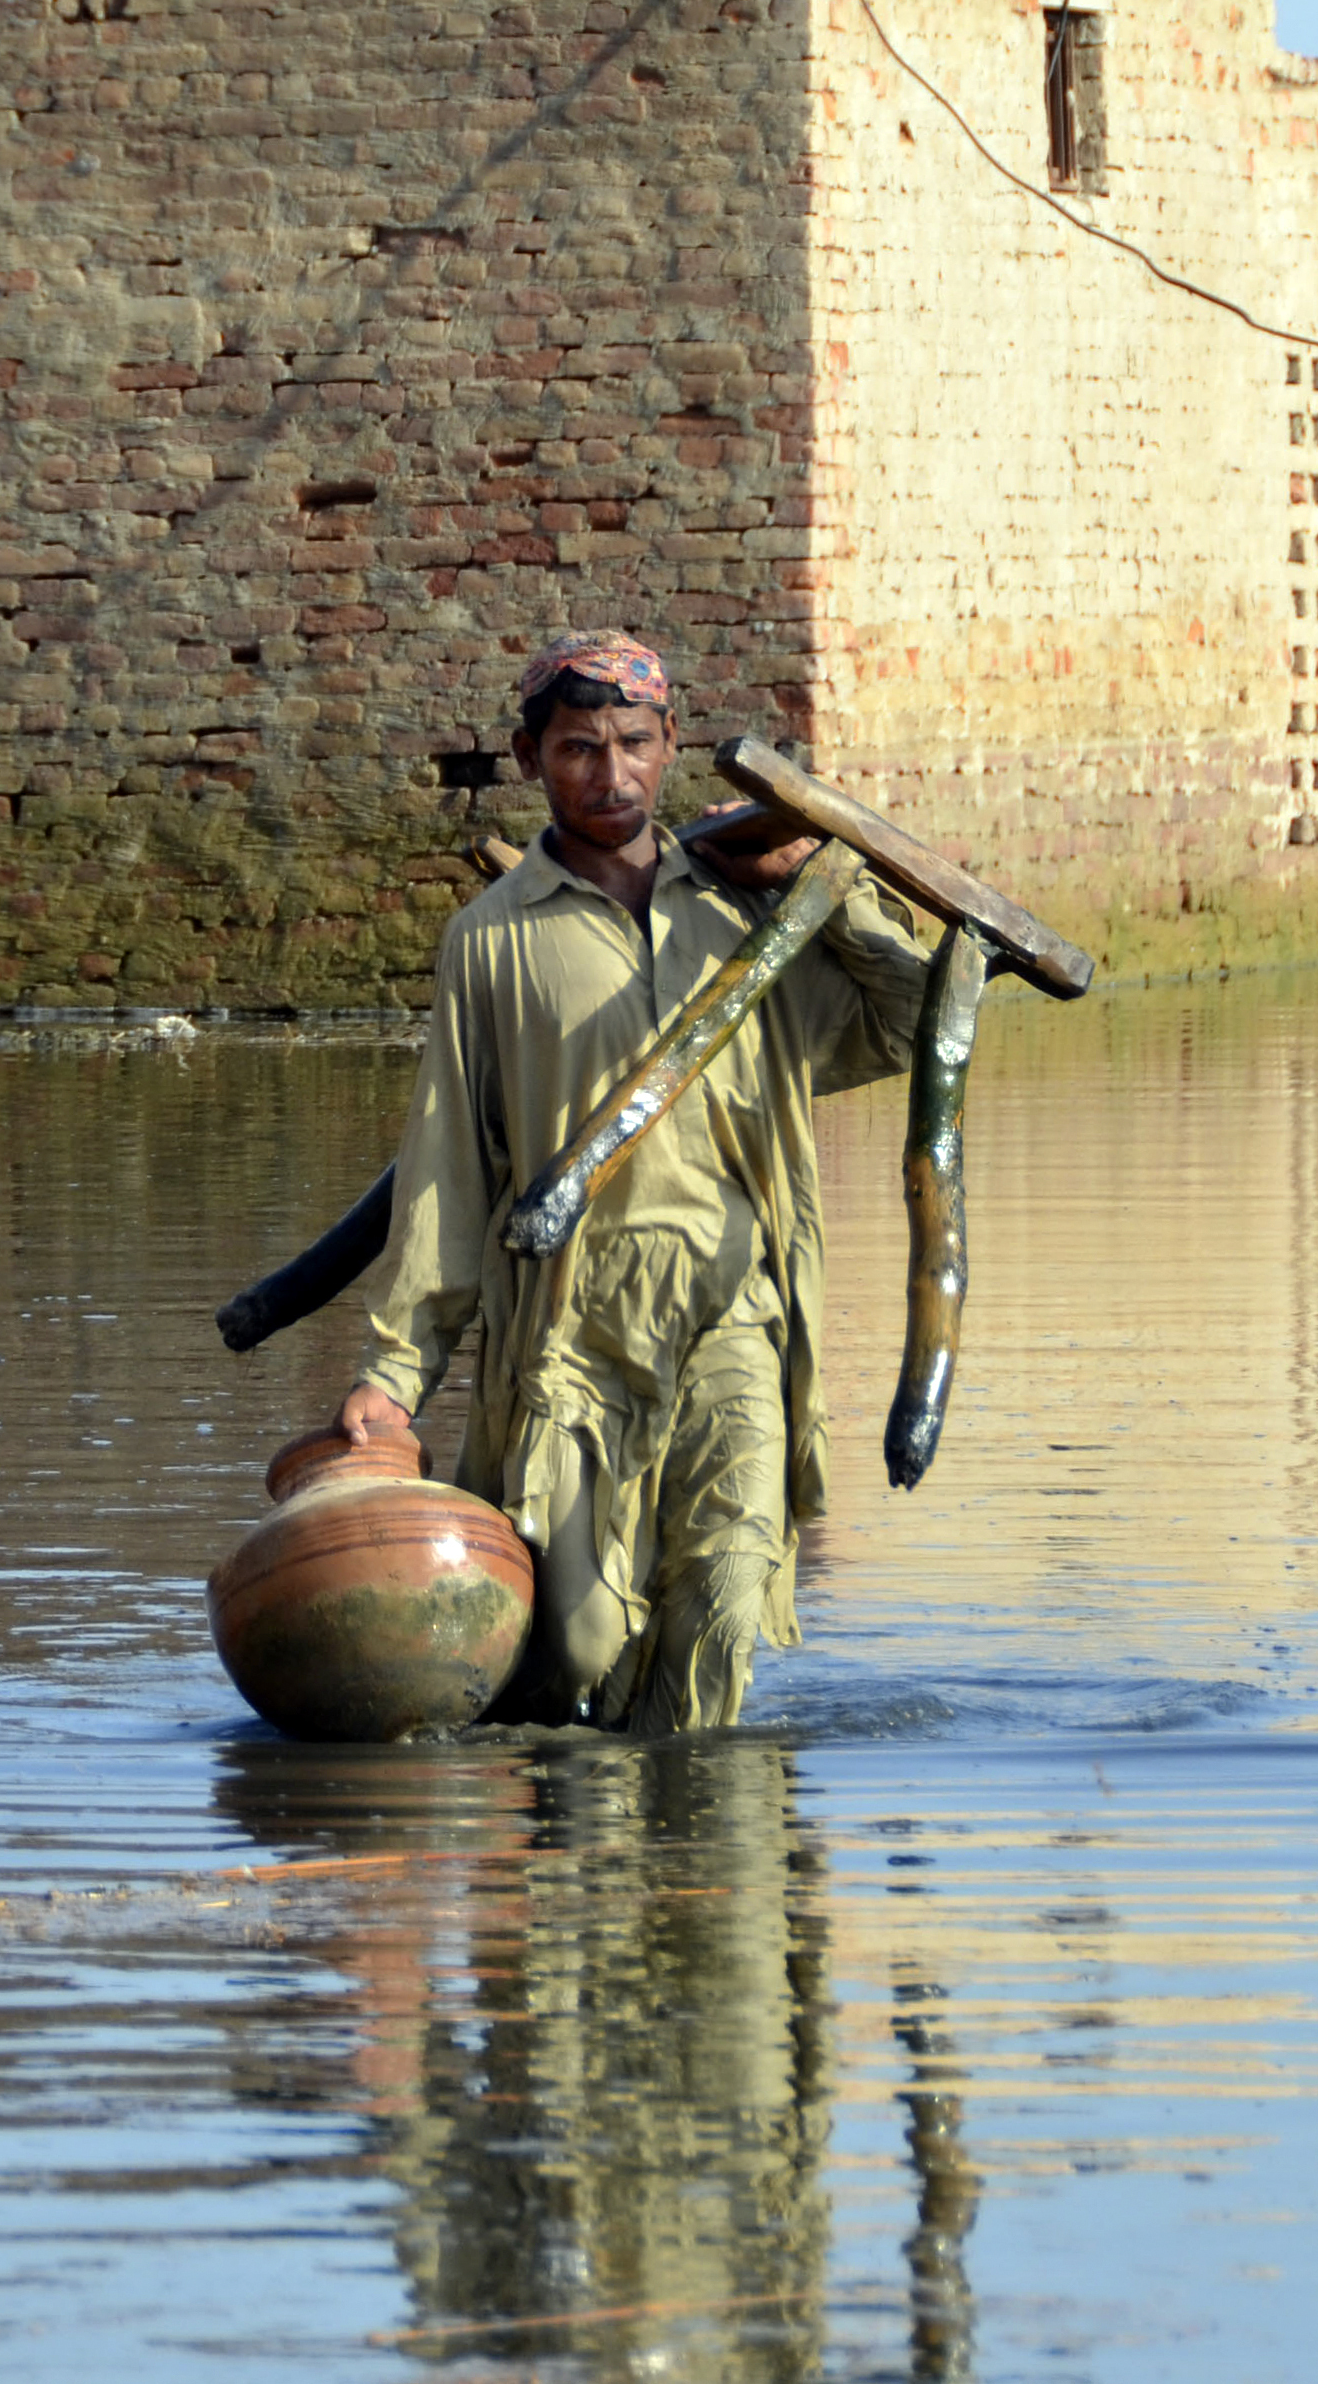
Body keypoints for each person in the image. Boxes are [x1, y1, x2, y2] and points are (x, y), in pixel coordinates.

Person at [327, 630, 927, 1734]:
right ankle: (579, 1822)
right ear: (530, 759)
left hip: (736, 1305)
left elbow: (909, 1026)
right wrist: (395, 1370)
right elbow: (449, 1169)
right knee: (581, 1643)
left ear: (671, 745)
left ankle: (706, 1831)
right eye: (578, 749)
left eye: (634, 744)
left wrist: (828, 890)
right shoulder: (491, 942)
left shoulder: (743, 915)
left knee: (725, 1595)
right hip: (569, 1324)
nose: (611, 775)